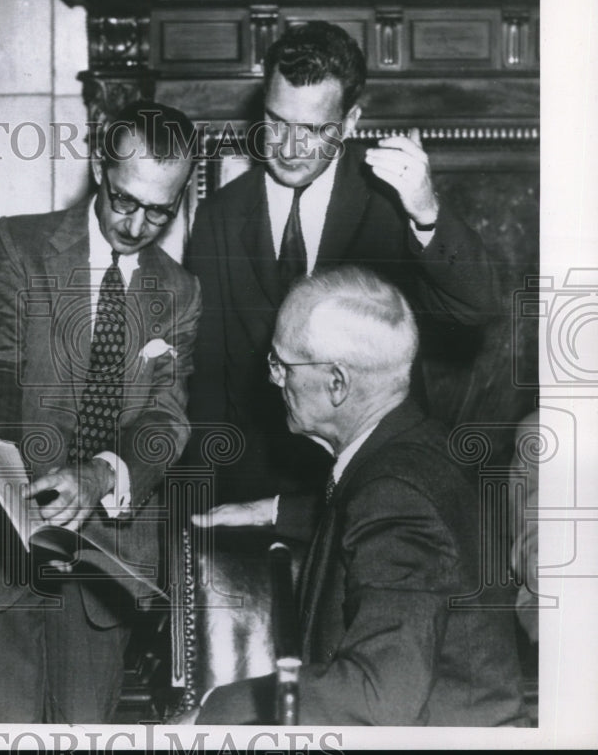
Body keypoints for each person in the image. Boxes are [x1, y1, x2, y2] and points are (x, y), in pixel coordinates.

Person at [0, 101, 202, 723]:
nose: (137, 224)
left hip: (103, 575)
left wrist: (99, 476)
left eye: (160, 211)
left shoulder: (180, 292)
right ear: (97, 167)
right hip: (0, 554)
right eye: (124, 200)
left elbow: (166, 419)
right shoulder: (20, 244)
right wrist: (31, 477)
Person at [193, 266, 526, 726]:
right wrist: (271, 511)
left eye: (281, 365)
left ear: (337, 382)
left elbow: (375, 695)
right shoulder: (417, 450)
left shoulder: (394, 493)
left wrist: (217, 710)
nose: (274, 381)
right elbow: (375, 518)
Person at [185, 20, 498, 509]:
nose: (289, 148)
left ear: (350, 122)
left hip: (378, 487)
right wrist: (204, 515)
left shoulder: (392, 201)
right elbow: (206, 384)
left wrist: (427, 212)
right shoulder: (219, 215)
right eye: (276, 122)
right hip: (249, 491)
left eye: (312, 130)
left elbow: (475, 308)